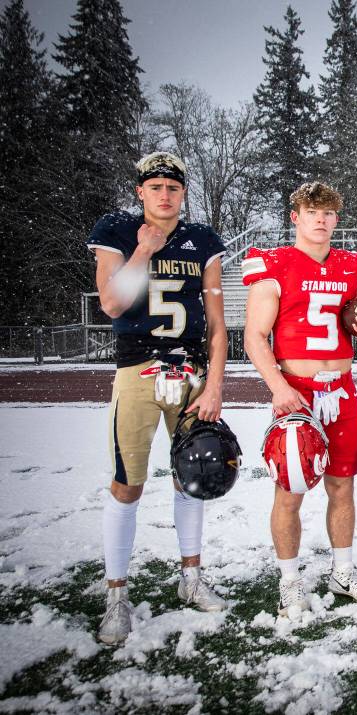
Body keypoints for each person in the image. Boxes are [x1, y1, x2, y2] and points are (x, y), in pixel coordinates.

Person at [88, 152, 228, 645]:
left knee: (193, 477)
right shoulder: (120, 231)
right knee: (128, 483)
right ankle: (116, 595)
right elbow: (111, 303)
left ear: (182, 192)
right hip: (138, 370)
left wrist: (213, 385)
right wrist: (144, 251)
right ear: (140, 192)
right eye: (155, 187)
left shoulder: (202, 240)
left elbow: (215, 322)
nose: (164, 195)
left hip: (190, 371)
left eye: (173, 187)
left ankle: (190, 577)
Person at [243, 181, 357, 615]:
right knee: (290, 490)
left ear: (336, 219)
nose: (321, 220)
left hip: (342, 390)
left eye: (328, 213)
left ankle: (342, 572)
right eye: (312, 212)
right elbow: (254, 337)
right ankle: (290, 581)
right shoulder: (274, 264)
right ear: (296, 217)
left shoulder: (354, 268)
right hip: (297, 391)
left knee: (343, 485)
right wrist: (279, 387)